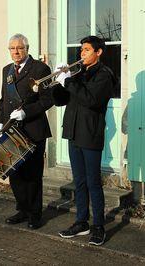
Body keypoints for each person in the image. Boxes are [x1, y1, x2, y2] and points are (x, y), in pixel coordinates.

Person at [51, 36, 116, 246]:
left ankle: (98, 226)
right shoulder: (79, 74)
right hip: (73, 133)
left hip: (90, 134)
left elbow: (91, 100)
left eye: (87, 50)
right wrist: (58, 82)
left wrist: (68, 80)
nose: (82, 53)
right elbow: (61, 101)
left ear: (98, 53)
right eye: (81, 50)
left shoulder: (104, 75)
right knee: (79, 181)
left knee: (93, 182)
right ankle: (81, 222)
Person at [0, 33, 52, 230]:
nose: (16, 52)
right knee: (15, 173)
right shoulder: (6, 70)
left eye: (19, 48)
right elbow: (3, 99)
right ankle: (23, 210)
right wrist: (0, 123)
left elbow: (47, 100)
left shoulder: (40, 68)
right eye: (12, 48)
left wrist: (26, 113)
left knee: (33, 175)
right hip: (11, 129)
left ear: (27, 48)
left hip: (33, 129)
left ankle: (35, 215)